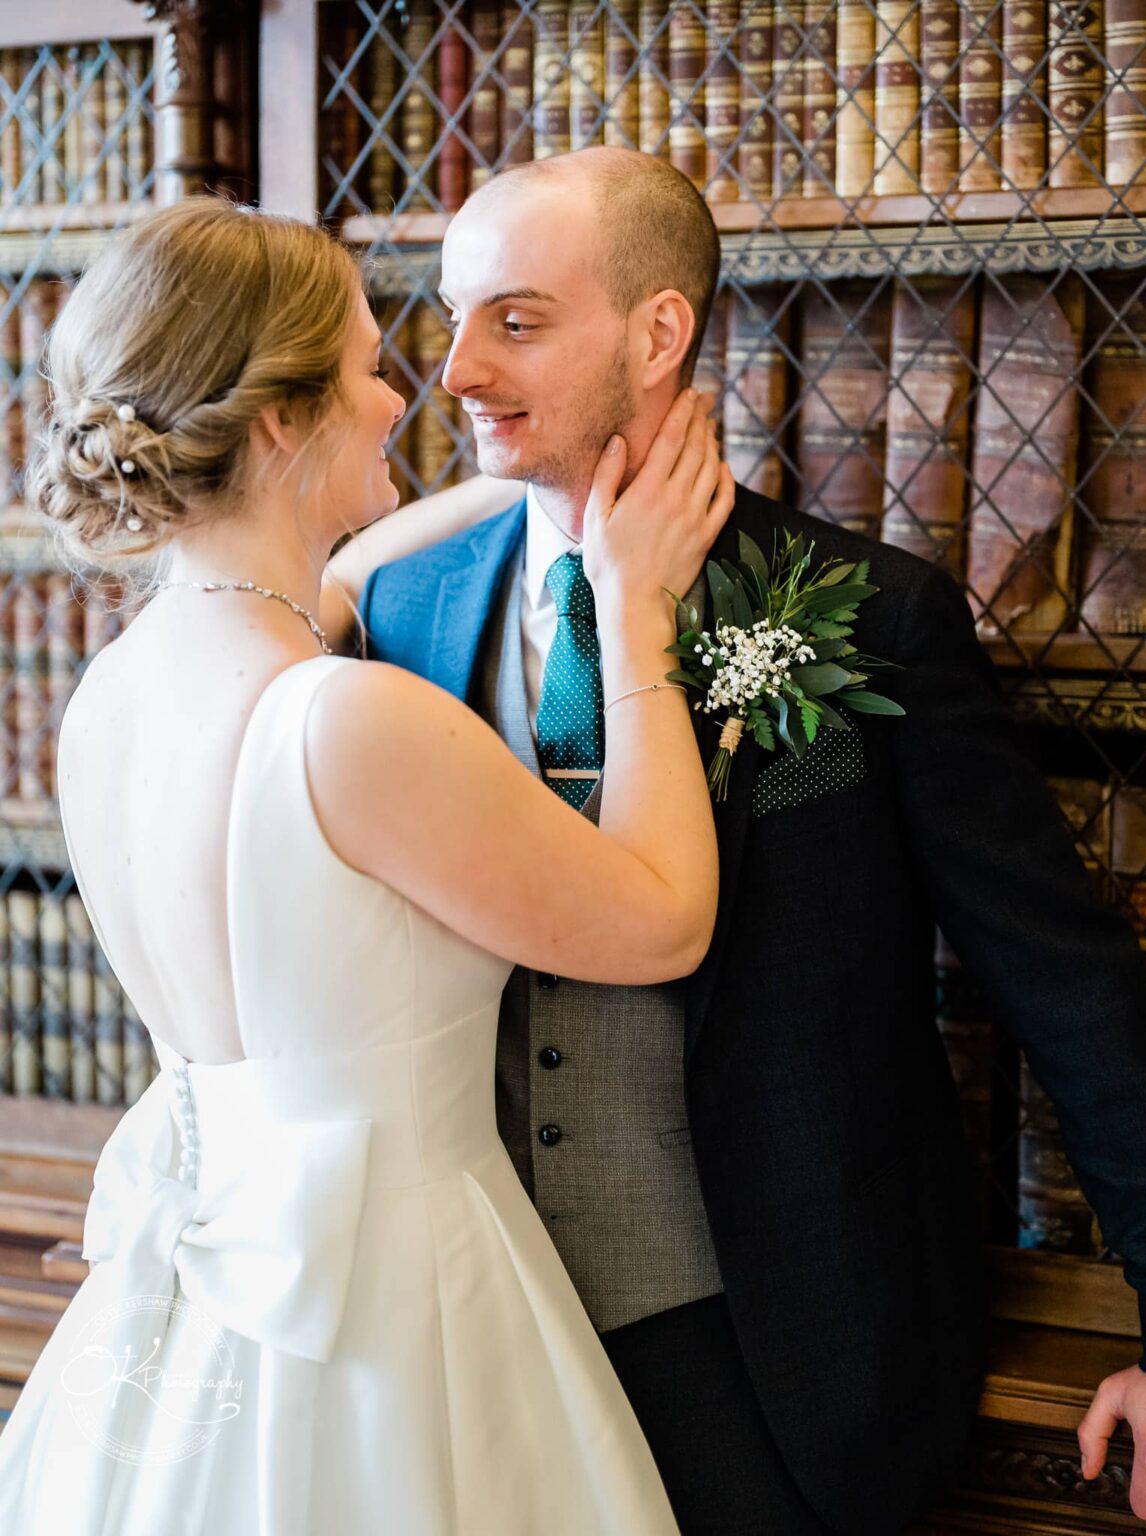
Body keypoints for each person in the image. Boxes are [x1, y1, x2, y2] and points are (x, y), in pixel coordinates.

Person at [357, 145, 1146, 1536]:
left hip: (769, 1346)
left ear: (658, 333)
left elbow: (1059, 980)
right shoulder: (403, 608)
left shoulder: (867, 613)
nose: (454, 370)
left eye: (515, 322)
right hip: (467, 1326)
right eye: (452, 318)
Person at [0, 195, 735, 1534]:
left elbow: (310, 593)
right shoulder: (350, 720)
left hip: (195, 1320)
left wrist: (528, 492)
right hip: (401, 1300)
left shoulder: (113, 692)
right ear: (279, 421)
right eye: (363, 365)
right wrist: (631, 619)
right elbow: (659, 924)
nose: (405, 394)